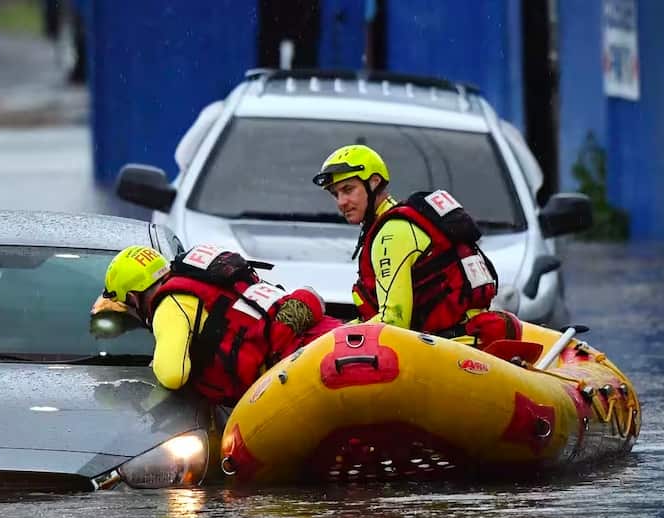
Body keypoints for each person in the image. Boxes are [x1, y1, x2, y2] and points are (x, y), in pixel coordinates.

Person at [311, 144, 523, 350]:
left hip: (453, 348)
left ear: (374, 182)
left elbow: (394, 321)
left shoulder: (391, 232)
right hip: (466, 339)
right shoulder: (407, 218)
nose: (341, 202)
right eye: (335, 194)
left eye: (348, 189)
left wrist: (327, 345)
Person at [90, 244, 340, 405]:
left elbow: (173, 374)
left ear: (133, 297)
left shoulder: (169, 305)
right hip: (323, 336)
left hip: (294, 368)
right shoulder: (202, 281)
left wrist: (146, 379)